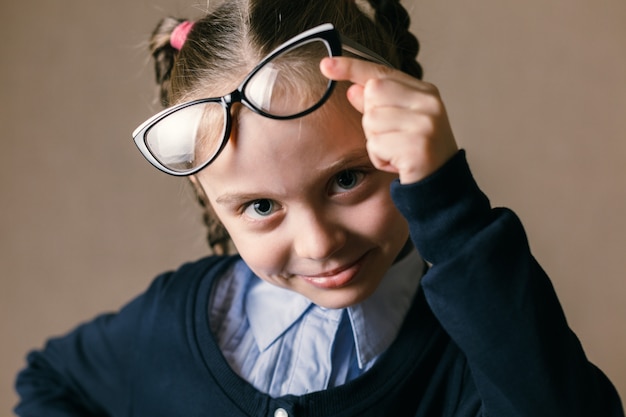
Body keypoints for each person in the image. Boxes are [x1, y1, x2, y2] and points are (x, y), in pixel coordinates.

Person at [14, 0, 625, 416]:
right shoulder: (166, 322)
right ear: (210, 200)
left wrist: (448, 203)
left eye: (347, 179)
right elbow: (47, 379)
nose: (317, 244)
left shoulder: (478, 344)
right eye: (258, 205)